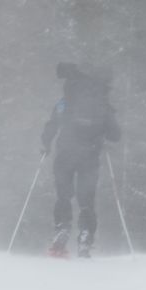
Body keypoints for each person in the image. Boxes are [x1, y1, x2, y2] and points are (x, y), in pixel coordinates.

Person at [40, 62, 120, 258]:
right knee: (86, 200)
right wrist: (101, 134)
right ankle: (85, 238)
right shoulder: (102, 103)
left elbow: (52, 124)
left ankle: (62, 229)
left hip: (65, 153)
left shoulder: (66, 101)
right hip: (90, 156)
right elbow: (115, 135)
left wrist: (46, 144)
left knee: (63, 195)